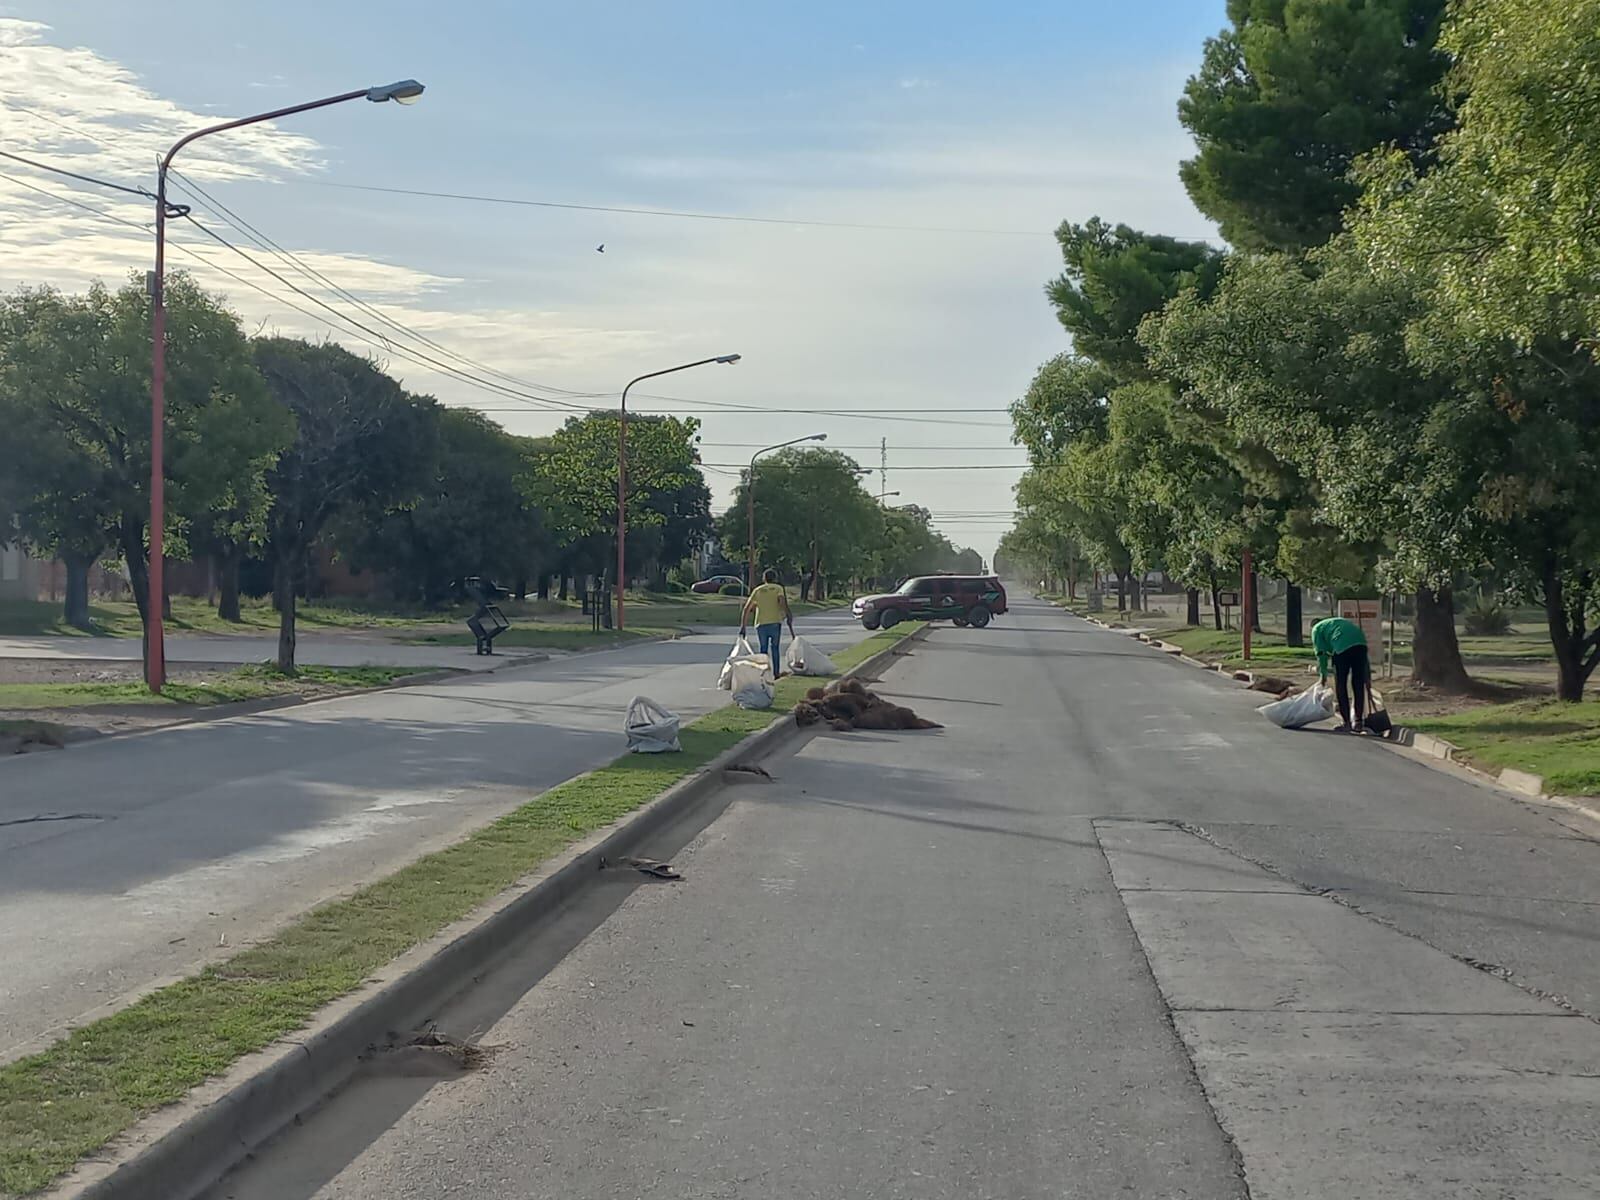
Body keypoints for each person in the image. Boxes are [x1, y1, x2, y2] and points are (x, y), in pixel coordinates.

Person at [1312, 614, 1370, 732]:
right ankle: (1358, 721)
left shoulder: (1316, 629)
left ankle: (1346, 722)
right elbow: (1365, 658)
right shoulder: (1336, 622)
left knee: (1341, 684)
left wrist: (1323, 675)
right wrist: (1367, 676)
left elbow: (1321, 653)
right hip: (1361, 643)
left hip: (1342, 647)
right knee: (1358, 683)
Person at [741, 568, 795, 679]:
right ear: (775, 578)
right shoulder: (778, 588)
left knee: (763, 649)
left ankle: (764, 673)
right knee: (775, 647)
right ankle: (776, 673)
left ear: (764, 579)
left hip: (760, 623)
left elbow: (746, 608)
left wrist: (743, 626)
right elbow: (781, 602)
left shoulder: (758, 590)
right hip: (775, 622)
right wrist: (787, 614)